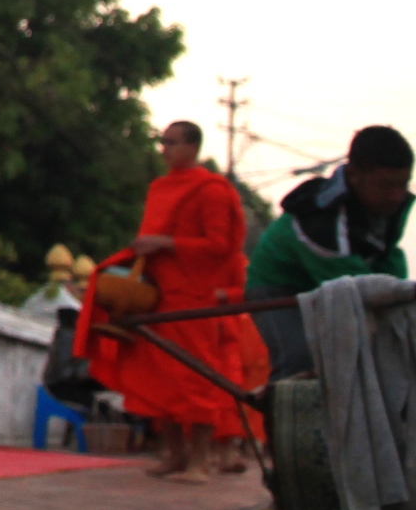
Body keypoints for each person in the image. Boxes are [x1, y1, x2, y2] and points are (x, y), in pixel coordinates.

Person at [79, 123, 249, 483]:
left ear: (193, 147)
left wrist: (165, 243)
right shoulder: (160, 188)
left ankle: (200, 462)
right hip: (156, 296)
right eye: (163, 142)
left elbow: (220, 246)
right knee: (159, 379)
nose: (164, 149)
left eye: (172, 143)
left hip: (193, 300)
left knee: (194, 379)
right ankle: (175, 454)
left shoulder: (212, 190)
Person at [246, 125, 413, 378]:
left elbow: (389, 261)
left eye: (403, 184)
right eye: (386, 185)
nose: (396, 195)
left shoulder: (390, 204)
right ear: (354, 175)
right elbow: (354, 286)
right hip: (277, 288)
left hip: (340, 283)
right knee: (301, 359)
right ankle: (286, 413)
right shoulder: (319, 223)